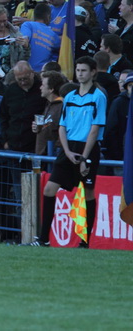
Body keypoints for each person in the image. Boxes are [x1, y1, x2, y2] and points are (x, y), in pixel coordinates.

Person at [38, 57, 107, 246]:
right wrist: (67, 152)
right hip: (68, 148)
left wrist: (84, 157)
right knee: (49, 189)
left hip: (88, 149)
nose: (80, 74)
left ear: (93, 72)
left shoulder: (98, 97)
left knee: (88, 193)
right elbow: (62, 126)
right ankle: (43, 239)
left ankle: (85, 241)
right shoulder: (69, 97)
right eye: (78, 70)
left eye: (84, 70)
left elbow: (95, 129)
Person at [0, 61, 43, 153]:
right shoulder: (11, 90)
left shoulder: (42, 89)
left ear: (32, 73)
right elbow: (3, 116)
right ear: (15, 77)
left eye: (25, 79)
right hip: (12, 144)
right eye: (19, 79)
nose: (23, 82)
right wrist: (5, 140)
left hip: (34, 144)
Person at [32, 71, 67, 155]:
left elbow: (63, 131)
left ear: (51, 89)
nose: (40, 88)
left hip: (52, 157)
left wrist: (56, 151)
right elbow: (49, 126)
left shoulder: (62, 106)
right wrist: (38, 128)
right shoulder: (48, 104)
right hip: (42, 156)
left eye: (43, 85)